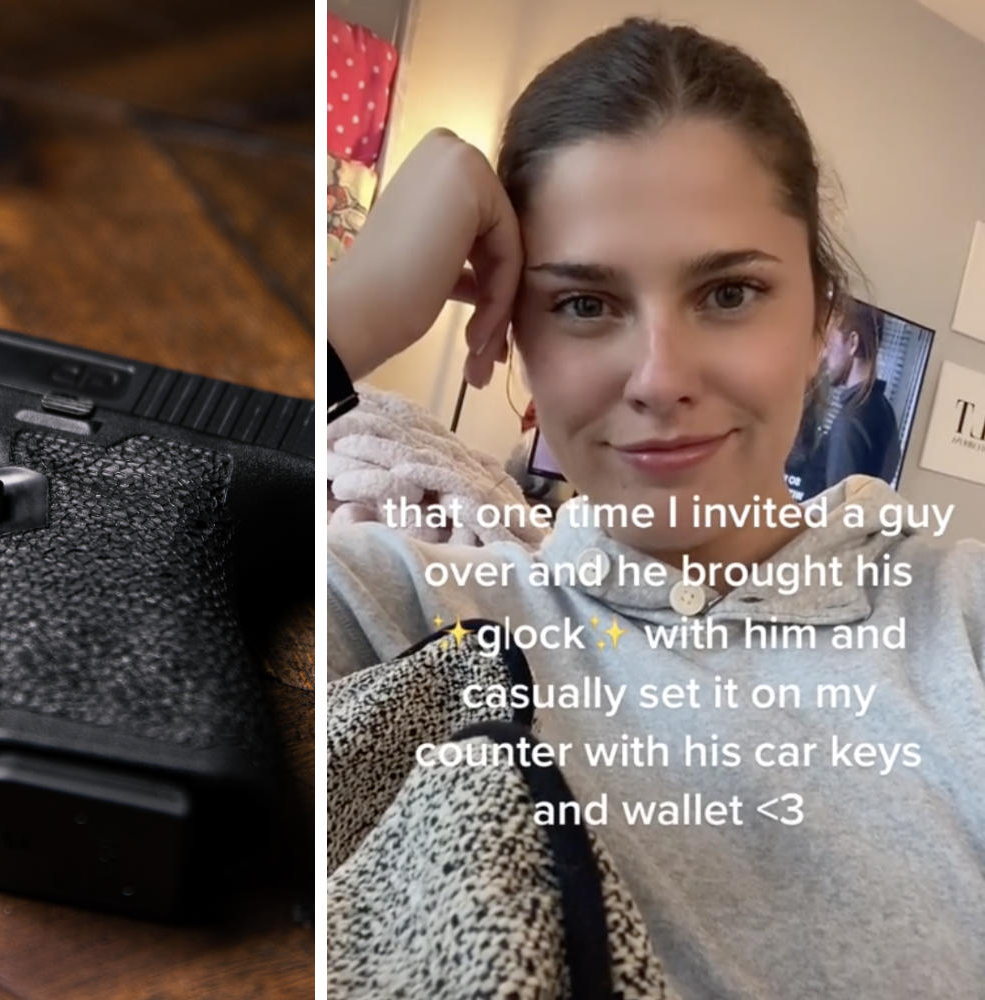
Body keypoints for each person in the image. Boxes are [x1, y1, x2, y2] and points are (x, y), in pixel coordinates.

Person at [327, 18, 985, 998]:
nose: (659, 378)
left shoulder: (958, 619)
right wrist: (350, 312)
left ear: (816, 321)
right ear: (507, 333)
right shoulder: (409, 606)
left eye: (727, 292)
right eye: (584, 303)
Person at [787, 299, 902, 497]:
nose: (824, 355)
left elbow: (840, 517)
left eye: (829, 344)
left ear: (853, 343)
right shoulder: (883, 410)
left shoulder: (850, 422)